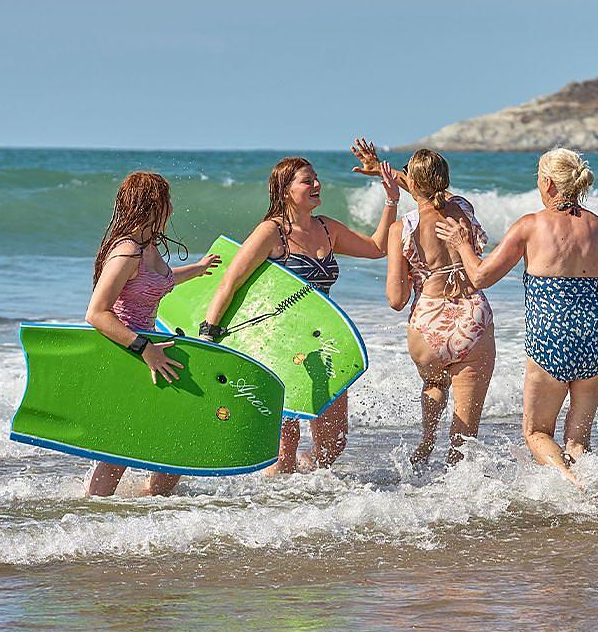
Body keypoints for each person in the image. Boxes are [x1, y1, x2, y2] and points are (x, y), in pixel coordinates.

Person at [436, 148, 598, 487]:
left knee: (536, 432)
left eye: (538, 176)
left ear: (548, 183)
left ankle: (573, 484)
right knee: (578, 439)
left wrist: (461, 243)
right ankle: (589, 484)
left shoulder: (530, 226)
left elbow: (480, 277)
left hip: (552, 336)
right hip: (597, 334)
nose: (537, 182)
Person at [200, 142, 401, 474]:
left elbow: (378, 247)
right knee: (284, 446)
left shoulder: (327, 228)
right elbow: (230, 282)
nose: (317, 185)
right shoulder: (271, 232)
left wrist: (391, 199)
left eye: (316, 179)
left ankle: (304, 491)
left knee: (333, 443)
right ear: (285, 190)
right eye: (307, 181)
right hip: (280, 344)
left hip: (322, 343)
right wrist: (209, 333)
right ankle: (275, 507)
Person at [84, 172, 222, 497]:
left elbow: (159, 280)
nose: (172, 210)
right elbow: (96, 313)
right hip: (127, 353)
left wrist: (198, 269)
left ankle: (152, 503)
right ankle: (95, 512)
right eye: (167, 203)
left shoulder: (149, 248)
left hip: (148, 352)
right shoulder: (126, 252)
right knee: (122, 447)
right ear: (151, 206)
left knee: (175, 434)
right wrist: (144, 348)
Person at [384, 149, 496, 471]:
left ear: (413, 182)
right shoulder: (462, 207)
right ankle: (454, 492)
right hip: (472, 319)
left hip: (428, 325)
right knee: (465, 435)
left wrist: (408, 275)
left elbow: (396, 299)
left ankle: (427, 441)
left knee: (434, 385)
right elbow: (431, 196)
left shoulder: (402, 229)